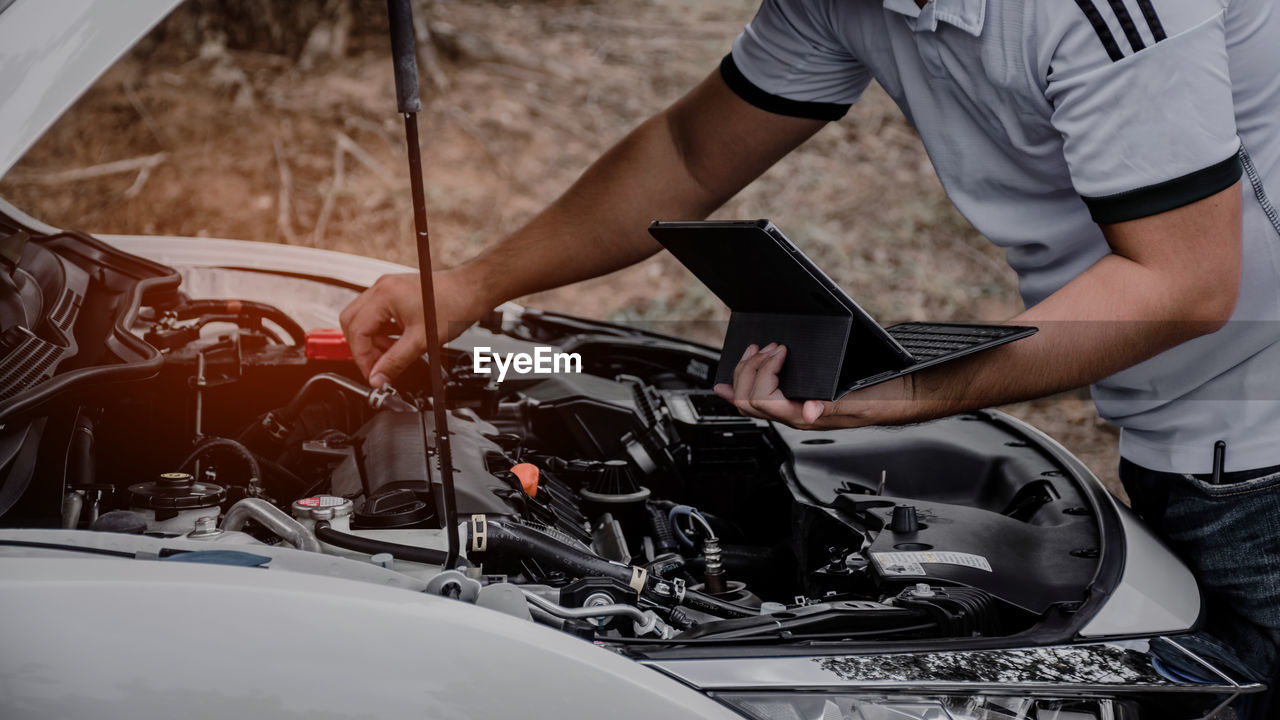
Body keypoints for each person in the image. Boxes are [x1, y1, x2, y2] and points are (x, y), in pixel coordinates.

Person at [340, 0, 1280, 711]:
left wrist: (915, 390)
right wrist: (468, 286)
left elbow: (1185, 282)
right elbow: (688, 151)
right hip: (1184, 424)